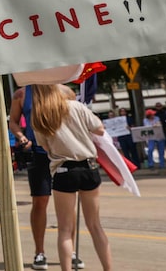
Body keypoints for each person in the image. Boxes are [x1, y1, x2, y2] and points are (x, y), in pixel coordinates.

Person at [30, 84, 112, 271]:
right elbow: (100, 129)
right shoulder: (75, 106)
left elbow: (44, 147)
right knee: (95, 226)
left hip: (63, 171)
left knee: (65, 230)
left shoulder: (39, 116)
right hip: (89, 167)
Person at [9, 83, 84, 270]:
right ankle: (39, 252)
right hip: (38, 153)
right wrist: (22, 137)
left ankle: (71, 250)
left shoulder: (65, 92)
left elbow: (75, 118)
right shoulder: (22, 94)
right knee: (40, 200)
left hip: (62, 153)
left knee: (67, 202)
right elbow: (13, 121)